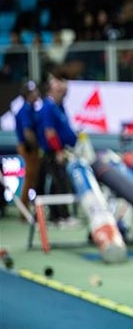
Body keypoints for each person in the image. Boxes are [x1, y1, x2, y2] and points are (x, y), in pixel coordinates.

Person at [36, 72, 79, 225]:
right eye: (57, 82)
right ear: (50, 87)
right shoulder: (48, 106)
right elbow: (49, 132)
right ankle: (61, 216)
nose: (62, 85)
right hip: (53, 151)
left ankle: (58, 216)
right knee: (60, 182)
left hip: (61, 150)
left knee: (58, 182)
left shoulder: (58, 106)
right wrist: (58, 150)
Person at [13, 80, 42, 214]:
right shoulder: (25, 110)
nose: (36, 93)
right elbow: (28, 133)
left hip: (30, 147)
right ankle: (24, 212)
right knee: (29, 179)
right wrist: (37, 147)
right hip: (28, 148)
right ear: (27, 95)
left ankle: (31, 209)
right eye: (33, 92)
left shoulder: (31, 108)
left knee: (34, 179)